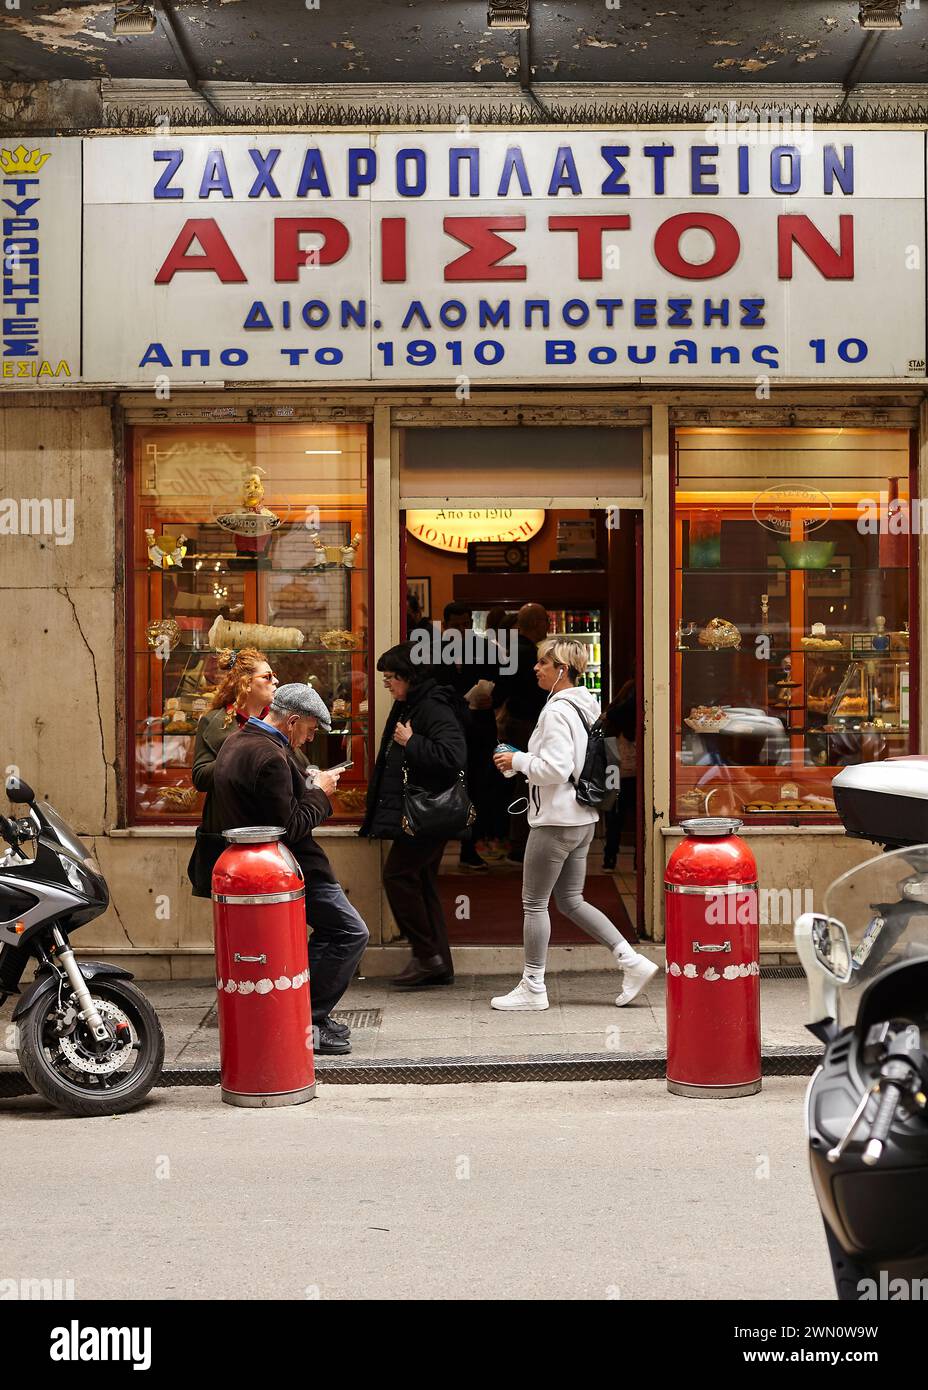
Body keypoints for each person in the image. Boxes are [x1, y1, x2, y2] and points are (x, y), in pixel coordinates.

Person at [490, 639, 660, 1011]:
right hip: (582, 818)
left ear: (562, 670)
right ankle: (632, 961)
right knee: (570, 900)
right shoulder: (584, 706)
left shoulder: (555, 712)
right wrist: (522, 758)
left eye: (543, 662)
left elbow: (555, 769)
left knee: (534, 904)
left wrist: (518, 762)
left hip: (555, 820)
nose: (536, 668)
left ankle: (533, 986)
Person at [211, 683, 369, 1055]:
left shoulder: (239, 741)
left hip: (256, 867)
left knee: (329, 935)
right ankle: (308, 1017)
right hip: (285, 868)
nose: (311, 738)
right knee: (351, 933)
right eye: (310, 730)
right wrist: (321, 792)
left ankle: (303, 1012)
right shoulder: (270, 757)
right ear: (293, 720)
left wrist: (306, 780)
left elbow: (272, 806)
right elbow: (290, 826)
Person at [360, 642, 468, 987]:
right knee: (420, 881)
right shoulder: (412, 703)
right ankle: (437, 961)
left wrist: (411, 742)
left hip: (427, 814)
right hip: (422, 813)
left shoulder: (432, 707)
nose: (388, 684)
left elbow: (453, 755)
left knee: (398, 876)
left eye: (392, 677)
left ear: (410, 676)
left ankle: (427, 955)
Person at [187, 648, 279, 899]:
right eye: (268, 677)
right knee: (231, 915)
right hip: (227, 834)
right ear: (246, 684)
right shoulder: (214, 721)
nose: (276, 682)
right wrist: (239, 753)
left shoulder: (276, 720)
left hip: (268, 831)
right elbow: (200, 777)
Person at [491, 601, 549, 864]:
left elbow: (501, 689)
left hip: (515, 720)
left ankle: (516, 840)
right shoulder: (528, 653)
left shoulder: (512, 650)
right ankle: (522, 842)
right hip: (527, 722)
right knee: (527, 780)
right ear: (537, 624)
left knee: (519, 780)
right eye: (545, 622)